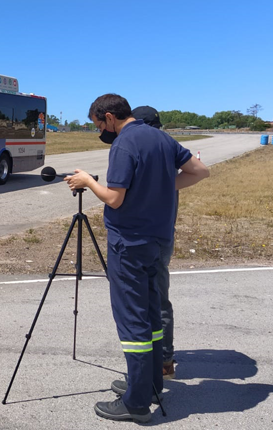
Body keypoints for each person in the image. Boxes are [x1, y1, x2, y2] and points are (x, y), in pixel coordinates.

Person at [64, 94, 209, 423]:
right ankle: (151, 382)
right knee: (151, 314)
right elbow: (200, 171)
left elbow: (114, 199)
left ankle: (137, 401)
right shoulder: (162, 138)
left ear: (110, 118)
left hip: (129, 244)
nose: (100, 131)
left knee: (133, 322)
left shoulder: (125, 144)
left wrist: (87, 181)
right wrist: (160, 187)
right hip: (158, 241)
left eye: (99, 125)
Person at [132, 105, 176, 380]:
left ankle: (161, 362)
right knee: (158, 297)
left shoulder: (148, 149)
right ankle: (163, 359)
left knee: (153, 300)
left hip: (149, 237)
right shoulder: (166, 149)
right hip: (164, 233)